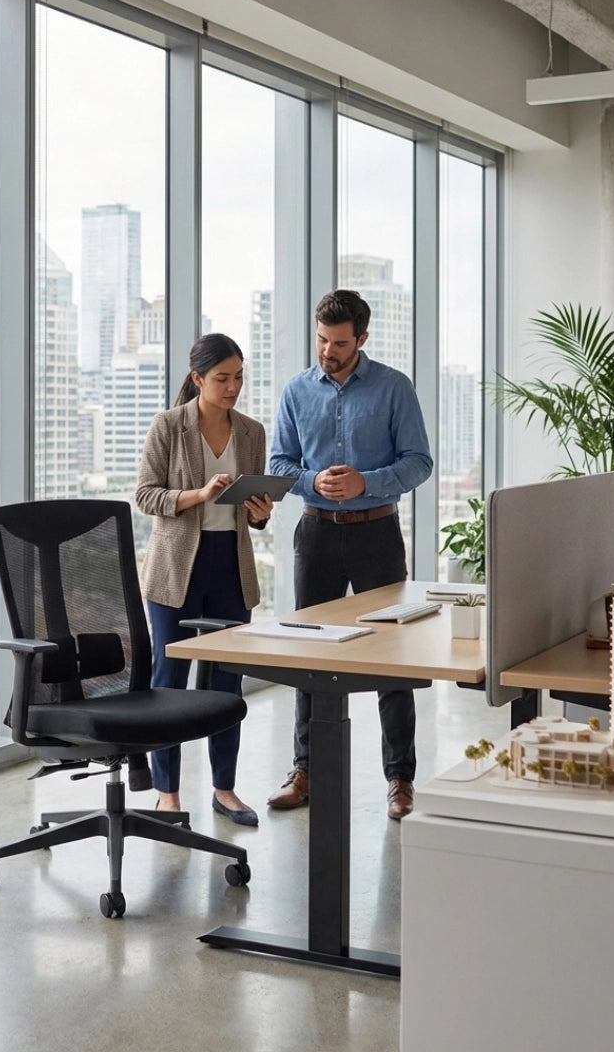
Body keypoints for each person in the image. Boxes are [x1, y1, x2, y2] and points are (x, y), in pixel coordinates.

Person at [267, 289, 433, 820]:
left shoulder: (393, 388)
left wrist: (366, 482)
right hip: (315, 535)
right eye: (321, 339)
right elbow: (280, 462)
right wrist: (312, 478)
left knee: (392, 658)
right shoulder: (296, 391)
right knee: (308, 655)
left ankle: (400, 779)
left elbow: (419, 462)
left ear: (362, 338)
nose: (327, 351)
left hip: (376, 534)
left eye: (339, 342)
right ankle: (305, 769)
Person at [135, 333, 274, 827]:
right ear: (197, 379)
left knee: (225, 683)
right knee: (168, 681)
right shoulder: (169, 426)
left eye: (239, 377)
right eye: (222, 378)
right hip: (176, 568)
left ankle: (225, 788)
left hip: (229, 566)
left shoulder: (253, 433)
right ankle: (166, 792)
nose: (233, 386)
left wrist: (260, 513)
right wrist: (197, 495)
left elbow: (253, 518)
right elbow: (146, 496)